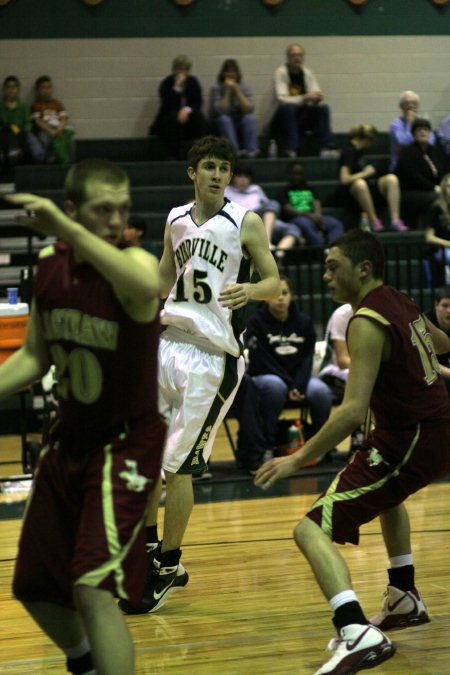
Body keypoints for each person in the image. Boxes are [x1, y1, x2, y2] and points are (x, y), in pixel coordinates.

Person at [255, 229, 450, 675]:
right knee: (389, 497)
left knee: (309, 531)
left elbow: (349, 412)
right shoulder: (399, 299)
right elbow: (442, 342)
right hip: (428, 429)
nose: (325, 275)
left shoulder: (365, 320)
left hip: (412, 437)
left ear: (362, 268)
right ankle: (404, 597)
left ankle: (355, 630)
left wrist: (294, 459)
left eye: (332, 265)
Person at [4, 159, 166, 674]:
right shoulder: (51, 262)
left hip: (124, 443)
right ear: (74, 209)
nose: (117, 220)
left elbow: (146, 289)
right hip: (68, 438)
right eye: (103, 210)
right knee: (34, 586)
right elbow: (35, 355)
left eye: (122, 209)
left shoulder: (135, 264)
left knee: (92, 587)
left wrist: (69, 228)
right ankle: (86, 664)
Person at [119, 135, 280, 615]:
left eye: (224, 168)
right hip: (169, 345)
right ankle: (147, 551)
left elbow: (274, 281)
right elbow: (166, 277)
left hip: (214, 357)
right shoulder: (174, 218)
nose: (217, 174)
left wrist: (251, 290)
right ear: (192, 172)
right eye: (209, 166)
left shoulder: (245, 221)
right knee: (150, 459)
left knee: (176, 467)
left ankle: (169, 564)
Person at [245, 274, 332, 455]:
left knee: (321, 391)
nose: (280, 297)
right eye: (275, 293)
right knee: (275, 386)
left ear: (291, 295)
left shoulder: (304, 322)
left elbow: (308, 357)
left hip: (297, 379)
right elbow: (262, 360)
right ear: (266, 297)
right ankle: (267, 447)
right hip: (266, 376)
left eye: (284, 293)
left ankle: (319, 446)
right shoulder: (255, 323)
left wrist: (298, 385)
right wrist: (291, 385)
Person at [265, 43, 336, 158]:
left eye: (299, 55)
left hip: (301, 117)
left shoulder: (307, 73)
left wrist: (317, 97)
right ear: (288, 58)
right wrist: (305, 97)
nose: (297, 58)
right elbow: (282, 99)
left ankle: (327, 146)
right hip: (281, 119)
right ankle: (292, 148)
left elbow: (314, 92)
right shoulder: (281, 73)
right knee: (289, 107)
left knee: (323, 108)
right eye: (293, 55)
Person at [224, 161, 301, 261]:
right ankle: (266, 243)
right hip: (242, 221)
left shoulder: (256, 189)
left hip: (260, 222)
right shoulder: (226, 190)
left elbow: (270, 209)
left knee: (292, 228)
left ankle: (277, 255)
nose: (242, 179)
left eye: (246, 176)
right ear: (233, 177)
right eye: (239, 176)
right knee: (271, 205)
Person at [337, 123, 407, 232]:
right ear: (368, 139)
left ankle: (395, 220)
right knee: (360, 183)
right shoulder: (348, 151)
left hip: (366, 189)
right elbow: (344, 179)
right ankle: (374, 221)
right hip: (352, 194)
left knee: (391, 179)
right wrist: (365, 173)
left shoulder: (360, 151)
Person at [319, 302, 365, 455]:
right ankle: (358, 440)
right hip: (334, 370)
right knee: (362, 383)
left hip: (359, 369)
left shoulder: (379, 310)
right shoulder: (342, 315)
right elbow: (342, 360)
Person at [150, 54, 208, 159]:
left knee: (198, 117)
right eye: (179, 69)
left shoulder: (193, 82)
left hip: (188, 116)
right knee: (172, 118)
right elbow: (167, 105)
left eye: (184, 69)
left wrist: (186, 109)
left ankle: (199, 152)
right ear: (174, 70)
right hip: (170, 116)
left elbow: (197, 102)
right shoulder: (166, 83)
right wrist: (176, 88)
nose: (182, 72)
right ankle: (175, 154)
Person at [396, 117, 447, 229]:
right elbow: (413, 177)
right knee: (437, 198)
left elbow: (444, 171)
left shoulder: (435, 151)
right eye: (419, 130)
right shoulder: (407, 152)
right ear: (413, 134)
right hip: (412, 192)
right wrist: (434, 187)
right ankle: (432, 230)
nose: (423, 132)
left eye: (425, 129)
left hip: (435, 190)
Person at [279, 161, 345, 246]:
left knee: (336, 224)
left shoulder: (309, 188)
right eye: (294, 174)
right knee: (305, 224)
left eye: (300, 174)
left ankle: (333, 249)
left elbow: (317, 203)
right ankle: (322, 250)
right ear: (289, 174)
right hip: (297, 219)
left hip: (313, 217)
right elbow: (288, 209)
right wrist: (310, 216)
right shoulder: (285, 190)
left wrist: (318, 216)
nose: (297, 177)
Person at [209, 58, 259, 158]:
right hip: (221, 122)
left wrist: (237, 91)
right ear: (223, 73)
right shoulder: (216, 87)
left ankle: (251, 152)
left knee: (251, 119)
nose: (230, 74)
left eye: (233, 71)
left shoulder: (244, 86)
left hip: (239, 120)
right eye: (228, 71)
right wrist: (228, 90)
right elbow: (221, 111)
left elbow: (249, 109)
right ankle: (234, 152)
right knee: (225, 119)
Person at [29, 75, 75, 165]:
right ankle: (50, 162)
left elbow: (64, 118)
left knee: (70, 140)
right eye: (43, 88)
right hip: (45, 130)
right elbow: (38, 121)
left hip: (58, 128)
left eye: (49, 87)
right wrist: (51, 131)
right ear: (38, 90)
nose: (46, 90)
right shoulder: (36, 105)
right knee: (45, 138)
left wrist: (59, 129)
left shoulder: (57, 103)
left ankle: (70, 165)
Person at [389, 90, 435, 171]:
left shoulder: (424, 122)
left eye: (414, 103)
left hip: (422, 165)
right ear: (401, 106)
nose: (410, 106)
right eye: (407, 103)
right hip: (401, 166)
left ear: (418, 106)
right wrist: (410, 123)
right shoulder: (396, 124)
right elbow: (402, 142)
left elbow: (430, 142)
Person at [0, 75, 33, 182]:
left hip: (20, 134)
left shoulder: (23, 106)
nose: (11, 90)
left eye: (14, 87)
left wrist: (21, 130)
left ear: (18, 89)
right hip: (5, 135)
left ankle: (14, 156)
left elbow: (28, 124)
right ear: (4, 90)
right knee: (7, 132)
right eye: (8, 87)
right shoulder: (1, 107)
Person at [425, 173, 450, 284]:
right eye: (449, 186)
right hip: (441, 249)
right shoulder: (436, 208)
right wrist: (447, 243)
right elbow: (429, 237)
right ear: (444, 189)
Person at [425, 285, 450, 394]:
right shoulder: (426, 324)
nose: (449, 310)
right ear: (436, 305)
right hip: (428, 374)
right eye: (445, 306)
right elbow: (427, 362)